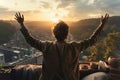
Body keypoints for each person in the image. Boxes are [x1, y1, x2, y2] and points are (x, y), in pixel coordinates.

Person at [15, 12, 109, 80]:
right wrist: (101, 25)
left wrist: (21, 24)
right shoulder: (74, 47)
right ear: (67, 34)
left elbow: (30, 39)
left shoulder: (46, 46)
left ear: (54, 33)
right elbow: (91, 40)